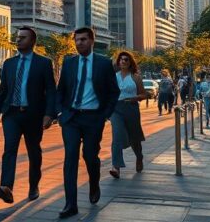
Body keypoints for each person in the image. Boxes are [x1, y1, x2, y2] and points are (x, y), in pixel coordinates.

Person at [55, 27, 119, 219]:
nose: (79, 43)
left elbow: (113, 92)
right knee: (70, 157)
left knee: (90, 156)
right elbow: (61, 90)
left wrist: (105, 115)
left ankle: (94, 182)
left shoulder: (104, 63)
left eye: (83, 39)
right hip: (71, 118)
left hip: (93, 118)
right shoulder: (69, 62)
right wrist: (60, 111)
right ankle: (70, 204)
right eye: (77, 40)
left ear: (92, 41)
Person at [0, 26, 56, 204]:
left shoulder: (43, 63)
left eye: (23, 38)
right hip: (11, 114)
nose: (18, 40)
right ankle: (6, 187)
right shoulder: (9, 63)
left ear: (32, 41)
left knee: (34, 151)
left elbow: (50, 90)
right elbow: (3, 90)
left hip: (33, 115)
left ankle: (33, 185)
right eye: (18, 37)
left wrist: (49, 114)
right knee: (9, 150)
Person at [109, 51, 147, 179]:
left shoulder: (136, 77)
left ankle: (139, 157)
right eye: (121, 59)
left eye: (126, 59)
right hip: (116, 109)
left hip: (131, 108)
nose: (123, 61)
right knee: (117, 135)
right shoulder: (113, 76)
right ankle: (116, 167)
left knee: (134, 137)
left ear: (130, 62)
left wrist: (135, 98)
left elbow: (144, 94)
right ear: (118, 62)